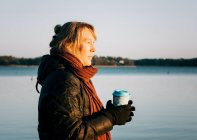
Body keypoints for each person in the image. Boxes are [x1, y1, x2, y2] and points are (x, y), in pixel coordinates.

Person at [36, 21, 135, 140]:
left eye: (93, 43)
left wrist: (108, 113)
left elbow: (79, 118)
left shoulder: (76, 76)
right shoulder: (63, 79)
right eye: (88, 42)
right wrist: (111, 117)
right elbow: (72, 133)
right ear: (68, 44)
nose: (94, 49)